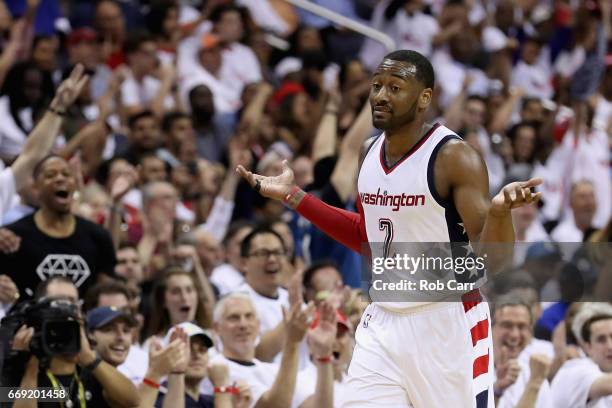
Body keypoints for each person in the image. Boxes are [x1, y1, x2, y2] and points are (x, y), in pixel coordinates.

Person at [238, 49, 542, 407]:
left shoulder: (454, 157)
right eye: (377, 86)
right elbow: (369, 239)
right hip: (382, 321)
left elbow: (495, 261)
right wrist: (294, 196)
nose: (380, 95)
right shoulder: (369, 152)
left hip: (445, 322)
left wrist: (499, 213)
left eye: (395, 87)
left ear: (424, 98)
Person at [0, 153, 117, 300]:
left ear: (75, 183)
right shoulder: (13, 237)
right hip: (28, 321)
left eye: (66, 174)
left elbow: (106, 289)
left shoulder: (98, 236)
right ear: (36, 186)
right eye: (50, 175)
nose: (60, 178)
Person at [551, 303, 612, 407]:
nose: (610, 346)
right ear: (586, 346)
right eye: (601, 340)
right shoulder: (574, 369)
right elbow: (608, 385)